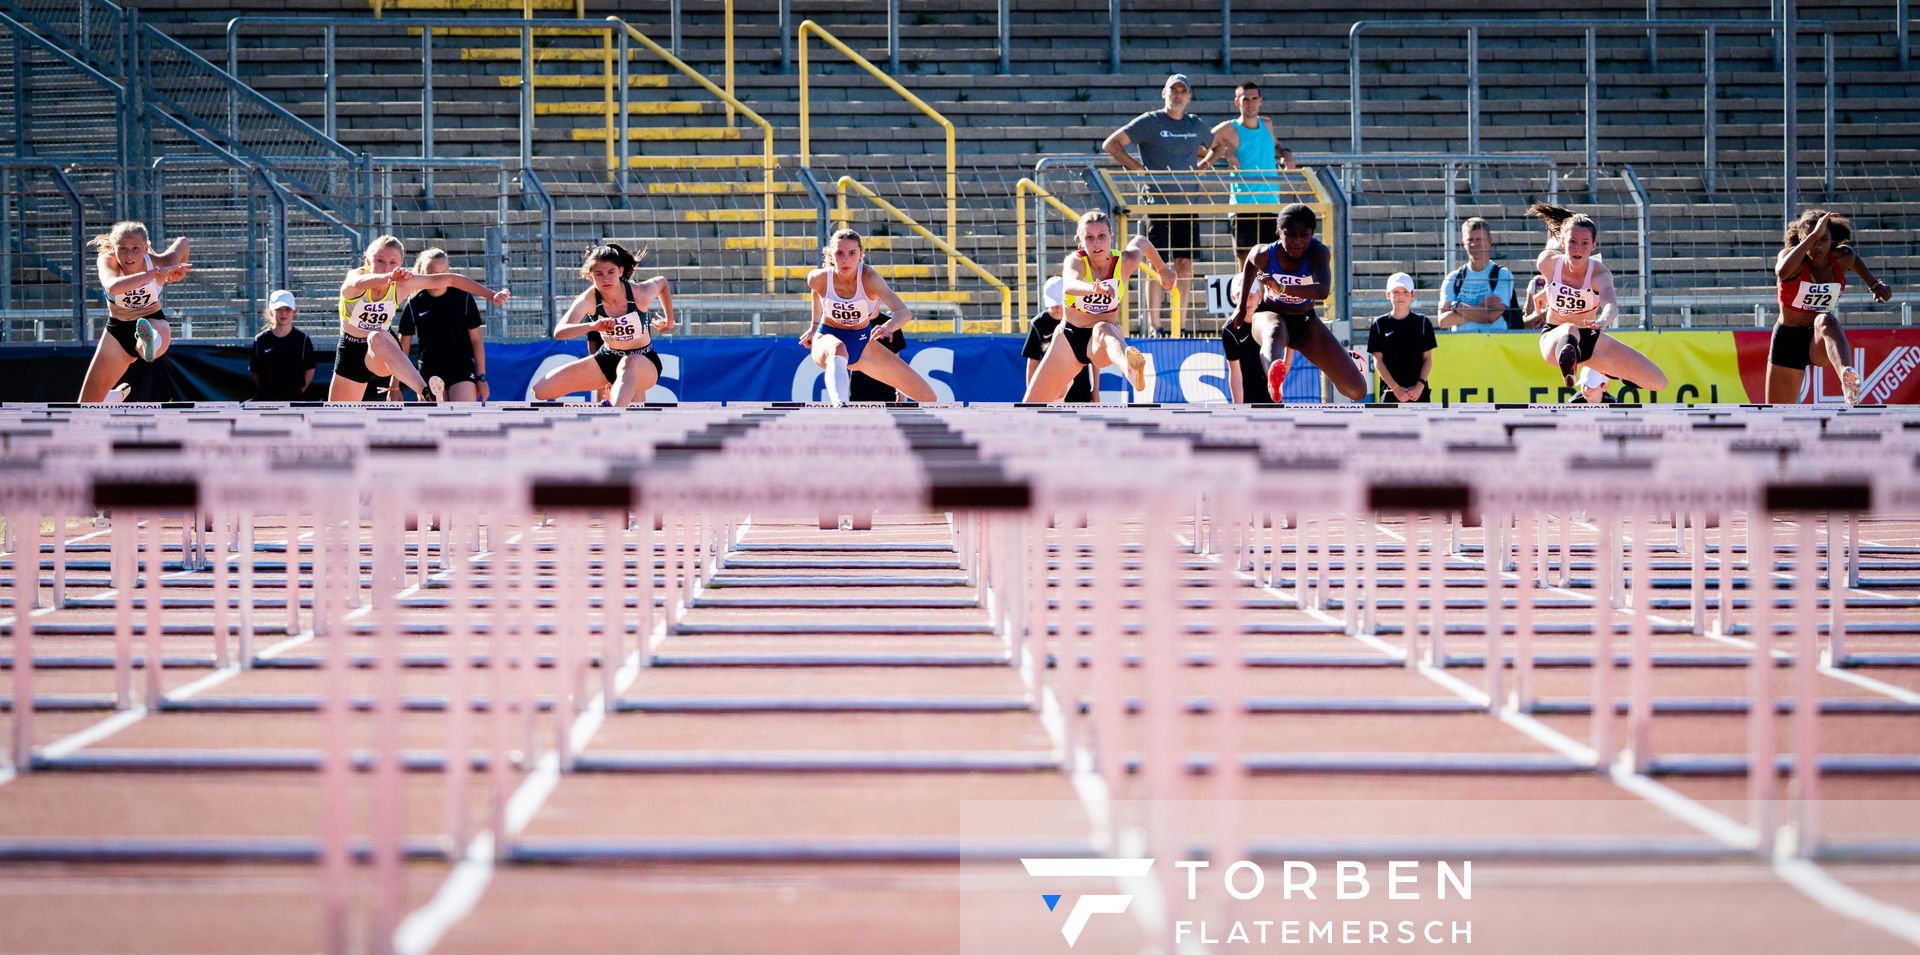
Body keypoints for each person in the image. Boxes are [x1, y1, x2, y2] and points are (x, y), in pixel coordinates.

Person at [333, 235, 508, 403]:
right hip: (351, 350)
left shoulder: (403, 283)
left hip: (383, 352)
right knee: (335, 415)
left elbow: (451, 280)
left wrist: (491, 295)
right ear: (367, 261)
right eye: (380, 261)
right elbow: (358, 282)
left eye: (393, 263)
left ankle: (425, 391)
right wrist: (389, 277)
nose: (386, 267)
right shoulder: (354, 278)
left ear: (400, 264)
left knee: (376, 335)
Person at [1023, 211, 1170, 403]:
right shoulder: (1075, 261)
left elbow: (1142, 242)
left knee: (1102, 329)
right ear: (1080, 241)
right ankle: (1062, 388)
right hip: (1069, 338)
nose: (1096, 243)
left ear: (1111, 237)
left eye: (1102, 236)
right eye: (1089, 238)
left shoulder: (1125, 261)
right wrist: (1093, 288)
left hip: (1102, 341)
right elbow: (1069, 285)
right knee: (1030, 405)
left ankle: (1130, 366)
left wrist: (1163, 269)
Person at [1103, 73, 1208, 336]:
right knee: (1155, 265)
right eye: (1173, 90)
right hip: (1157, 204)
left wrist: (1206, 162)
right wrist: (1137, 168)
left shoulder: (1195, 124)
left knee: (1185, 265)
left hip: (1187, 205)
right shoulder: (1151, 121)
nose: (1177, 95)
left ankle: (1181, 326)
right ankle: (1156, 326)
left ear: (1189, 96)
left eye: (1182, 91)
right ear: (1164, 93)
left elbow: (1219, 146)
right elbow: (1111, 144)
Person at [1528, 203, 1668, 398]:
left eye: (1585, 243)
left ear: (1594, 246)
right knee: (1570, 329)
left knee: (1658, 381)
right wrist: (1547, 291)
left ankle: (1612, 371)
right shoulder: (1547, 262)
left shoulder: (1599, 274)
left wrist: (1603, 320)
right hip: (1555, 337)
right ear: (1562, 242)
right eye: (1572, 242)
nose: (1578, 248)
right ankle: (1568, 362)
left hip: (1590, 337)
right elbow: (1558, 282)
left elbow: (1611, 304)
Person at [1235, 204, 1370, 403]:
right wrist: (1240, 307)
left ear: (1312, 233)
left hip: (1305, 321)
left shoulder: (1318, 252)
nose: (1297, 242)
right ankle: (1274, 380)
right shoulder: (1265, 254)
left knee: (1357, 391)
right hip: (1270, 313)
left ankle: (1342, 360)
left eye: (1304, 235)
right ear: (1279, 232)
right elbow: (1249, 263)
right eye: (1290, 235)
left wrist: (1281, 287)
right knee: (1274, 330)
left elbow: (1322, 290)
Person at [798, 229, 936, 406]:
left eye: (852, 253)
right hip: (827, 337)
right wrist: (814, 326)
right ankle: (840, 405)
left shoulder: (869, 278)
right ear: (831, 255)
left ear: (860, 254)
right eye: (839, 253)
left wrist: (887, 327)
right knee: (838, 348)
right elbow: (817, 292)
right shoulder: (818, 278)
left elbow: (904, 312)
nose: (845, 259)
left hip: (861, 343)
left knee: (928, 397)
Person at [1769, 210, 1891, 405]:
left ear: (1832, 239)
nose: (1816, 246)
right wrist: (1813, 236)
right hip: (1787, 340)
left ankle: (1846, 377)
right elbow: (1782, 272)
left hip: (1818, 340)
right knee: (1775, 412)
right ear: (1801, 239)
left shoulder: (1844, 257)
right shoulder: (1789, 258)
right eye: (1811, 239)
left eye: (1823, 240)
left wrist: (1876, 286)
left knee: (1825, 319)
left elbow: (1865, 272)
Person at [532, 243, 674, 407]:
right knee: (541, 390)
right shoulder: (589, 299)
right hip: (608, 358)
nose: (606, 279)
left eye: (611, 272)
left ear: (620, 271)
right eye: (599, 274)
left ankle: (612, 416)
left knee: (628, 363)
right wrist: (593, 326)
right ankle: (617, 396)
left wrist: (669, 322)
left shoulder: (640, 293)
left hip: (643, 360)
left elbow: (662, 283)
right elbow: (560, 332)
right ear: (590, 277)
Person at [82, 221, 190, 403]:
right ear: (114, 248)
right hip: (118, 330)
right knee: (86, 403)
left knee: (146, 338)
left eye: (135, 249)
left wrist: (178, 272)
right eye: (123, 248)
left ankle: (148, 342)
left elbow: (183, 241)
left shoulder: (161, 262)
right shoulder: (107, 261)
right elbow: (112, 286)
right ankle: (112, 397)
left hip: (153, 320)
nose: (129, 255)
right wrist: (155, 274)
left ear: (146, 248)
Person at [1196, 80, 1296, 266]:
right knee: (1245, 265)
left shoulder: (1267, 124)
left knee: (1271, 264)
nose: (1250, 103)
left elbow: (1275, 146)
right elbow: (1198, 147)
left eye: (1254, 99)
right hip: (1243, 206)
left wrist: (1286, 154)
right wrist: (1226, 152)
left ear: (1261, 101)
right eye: (1245, 99)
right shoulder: (1228, 128)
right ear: (1237, 102)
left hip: (1270, 204)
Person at [397, 248, 491, 403]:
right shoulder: (415, 303)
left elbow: (476, 340)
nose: (439, 278)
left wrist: (481, 377)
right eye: (434, 274)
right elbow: (402, 348)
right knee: (434, 414)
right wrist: (394, 386)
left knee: (463, 412)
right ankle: (437, 398)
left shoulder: (463, 298)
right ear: (423, 273)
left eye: (444, 273)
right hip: (429, 371)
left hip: (461, 369)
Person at [1024, 276, 1099, 403]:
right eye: (1054, 304)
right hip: (1051, 388)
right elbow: (1032, 363)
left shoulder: (1081, 319)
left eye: (1059, 303)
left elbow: (1094, 358)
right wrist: (1032, 396)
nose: (1057, 308)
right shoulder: (1039, 324)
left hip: (1080, 388)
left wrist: (1095, 390)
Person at [1435, 217, 1519, 331]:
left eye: (1479, 239)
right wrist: (1480, 308)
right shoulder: (1453, 278)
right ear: (1463, 243)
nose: (1474, 244)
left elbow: (1492, 316)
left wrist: (1458, 306)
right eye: (1470, 239)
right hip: (1462, 342)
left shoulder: (1502, 275)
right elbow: (1443, 321)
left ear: (1489, 242)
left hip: (1494, 340)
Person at [1366, 272, 1437, 403]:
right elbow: (1378, 361)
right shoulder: (1379, 324)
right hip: (1390, 393)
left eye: (1405, 292)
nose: (1401, 296)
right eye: (1396, 292)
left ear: (1412, 295)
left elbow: (1427, 359)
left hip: (1419, 394)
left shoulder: (1423, 322)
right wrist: (1396, 388)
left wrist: (1419, 386)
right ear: (1387, 295)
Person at [249, 289, 317, 401]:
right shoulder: (260, 340)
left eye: (287, 309)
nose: (283, 313)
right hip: (267, 403)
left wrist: (298, 392)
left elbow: (310, 370)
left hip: (294, 402)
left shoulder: (303, 340)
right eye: (279, 309)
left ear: (294, 311)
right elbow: (254, 371)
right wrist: (266, 393)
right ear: (271, 312)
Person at [848, 319, 908, 402]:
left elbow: (896, 365)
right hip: (859, 387)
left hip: (886, 387)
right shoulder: (855, 321)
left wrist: (900, 393)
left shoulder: (893, 323)